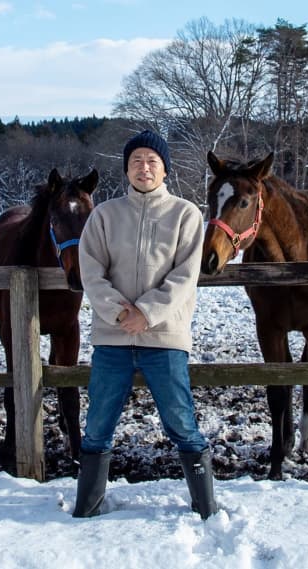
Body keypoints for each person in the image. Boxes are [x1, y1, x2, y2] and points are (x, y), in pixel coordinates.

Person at [73, 129, 217, 520]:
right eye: (136, 160)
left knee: (181, 422)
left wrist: (147, 313)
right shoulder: (104, 215)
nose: (144, 167)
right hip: (113, 337)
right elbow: (91, 271)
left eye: (152, 161)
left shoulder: (186, 215)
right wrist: (119, 312)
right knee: (98, 424)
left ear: (165, 169)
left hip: (165, 337)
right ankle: (86, 507)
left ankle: (206, 506)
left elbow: (185, 275)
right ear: (126, 169)